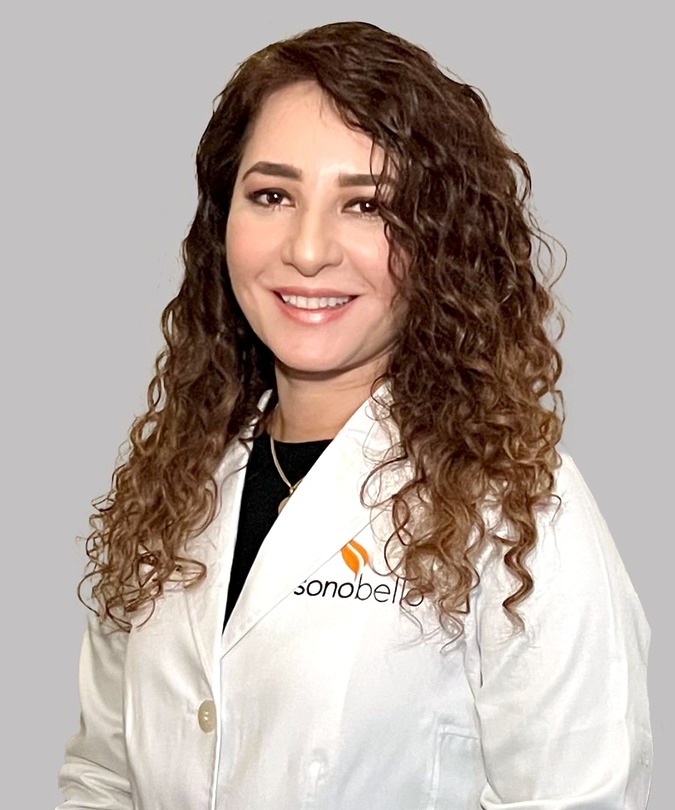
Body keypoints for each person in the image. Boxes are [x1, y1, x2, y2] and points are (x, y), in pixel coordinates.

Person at [57, 20, 652, 810]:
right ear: (219, 224)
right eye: (271, 195)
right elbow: (102, 777)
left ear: (440, 242)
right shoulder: (169, 492)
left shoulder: (518, 510)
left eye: (366, 205)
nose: (307, 250)